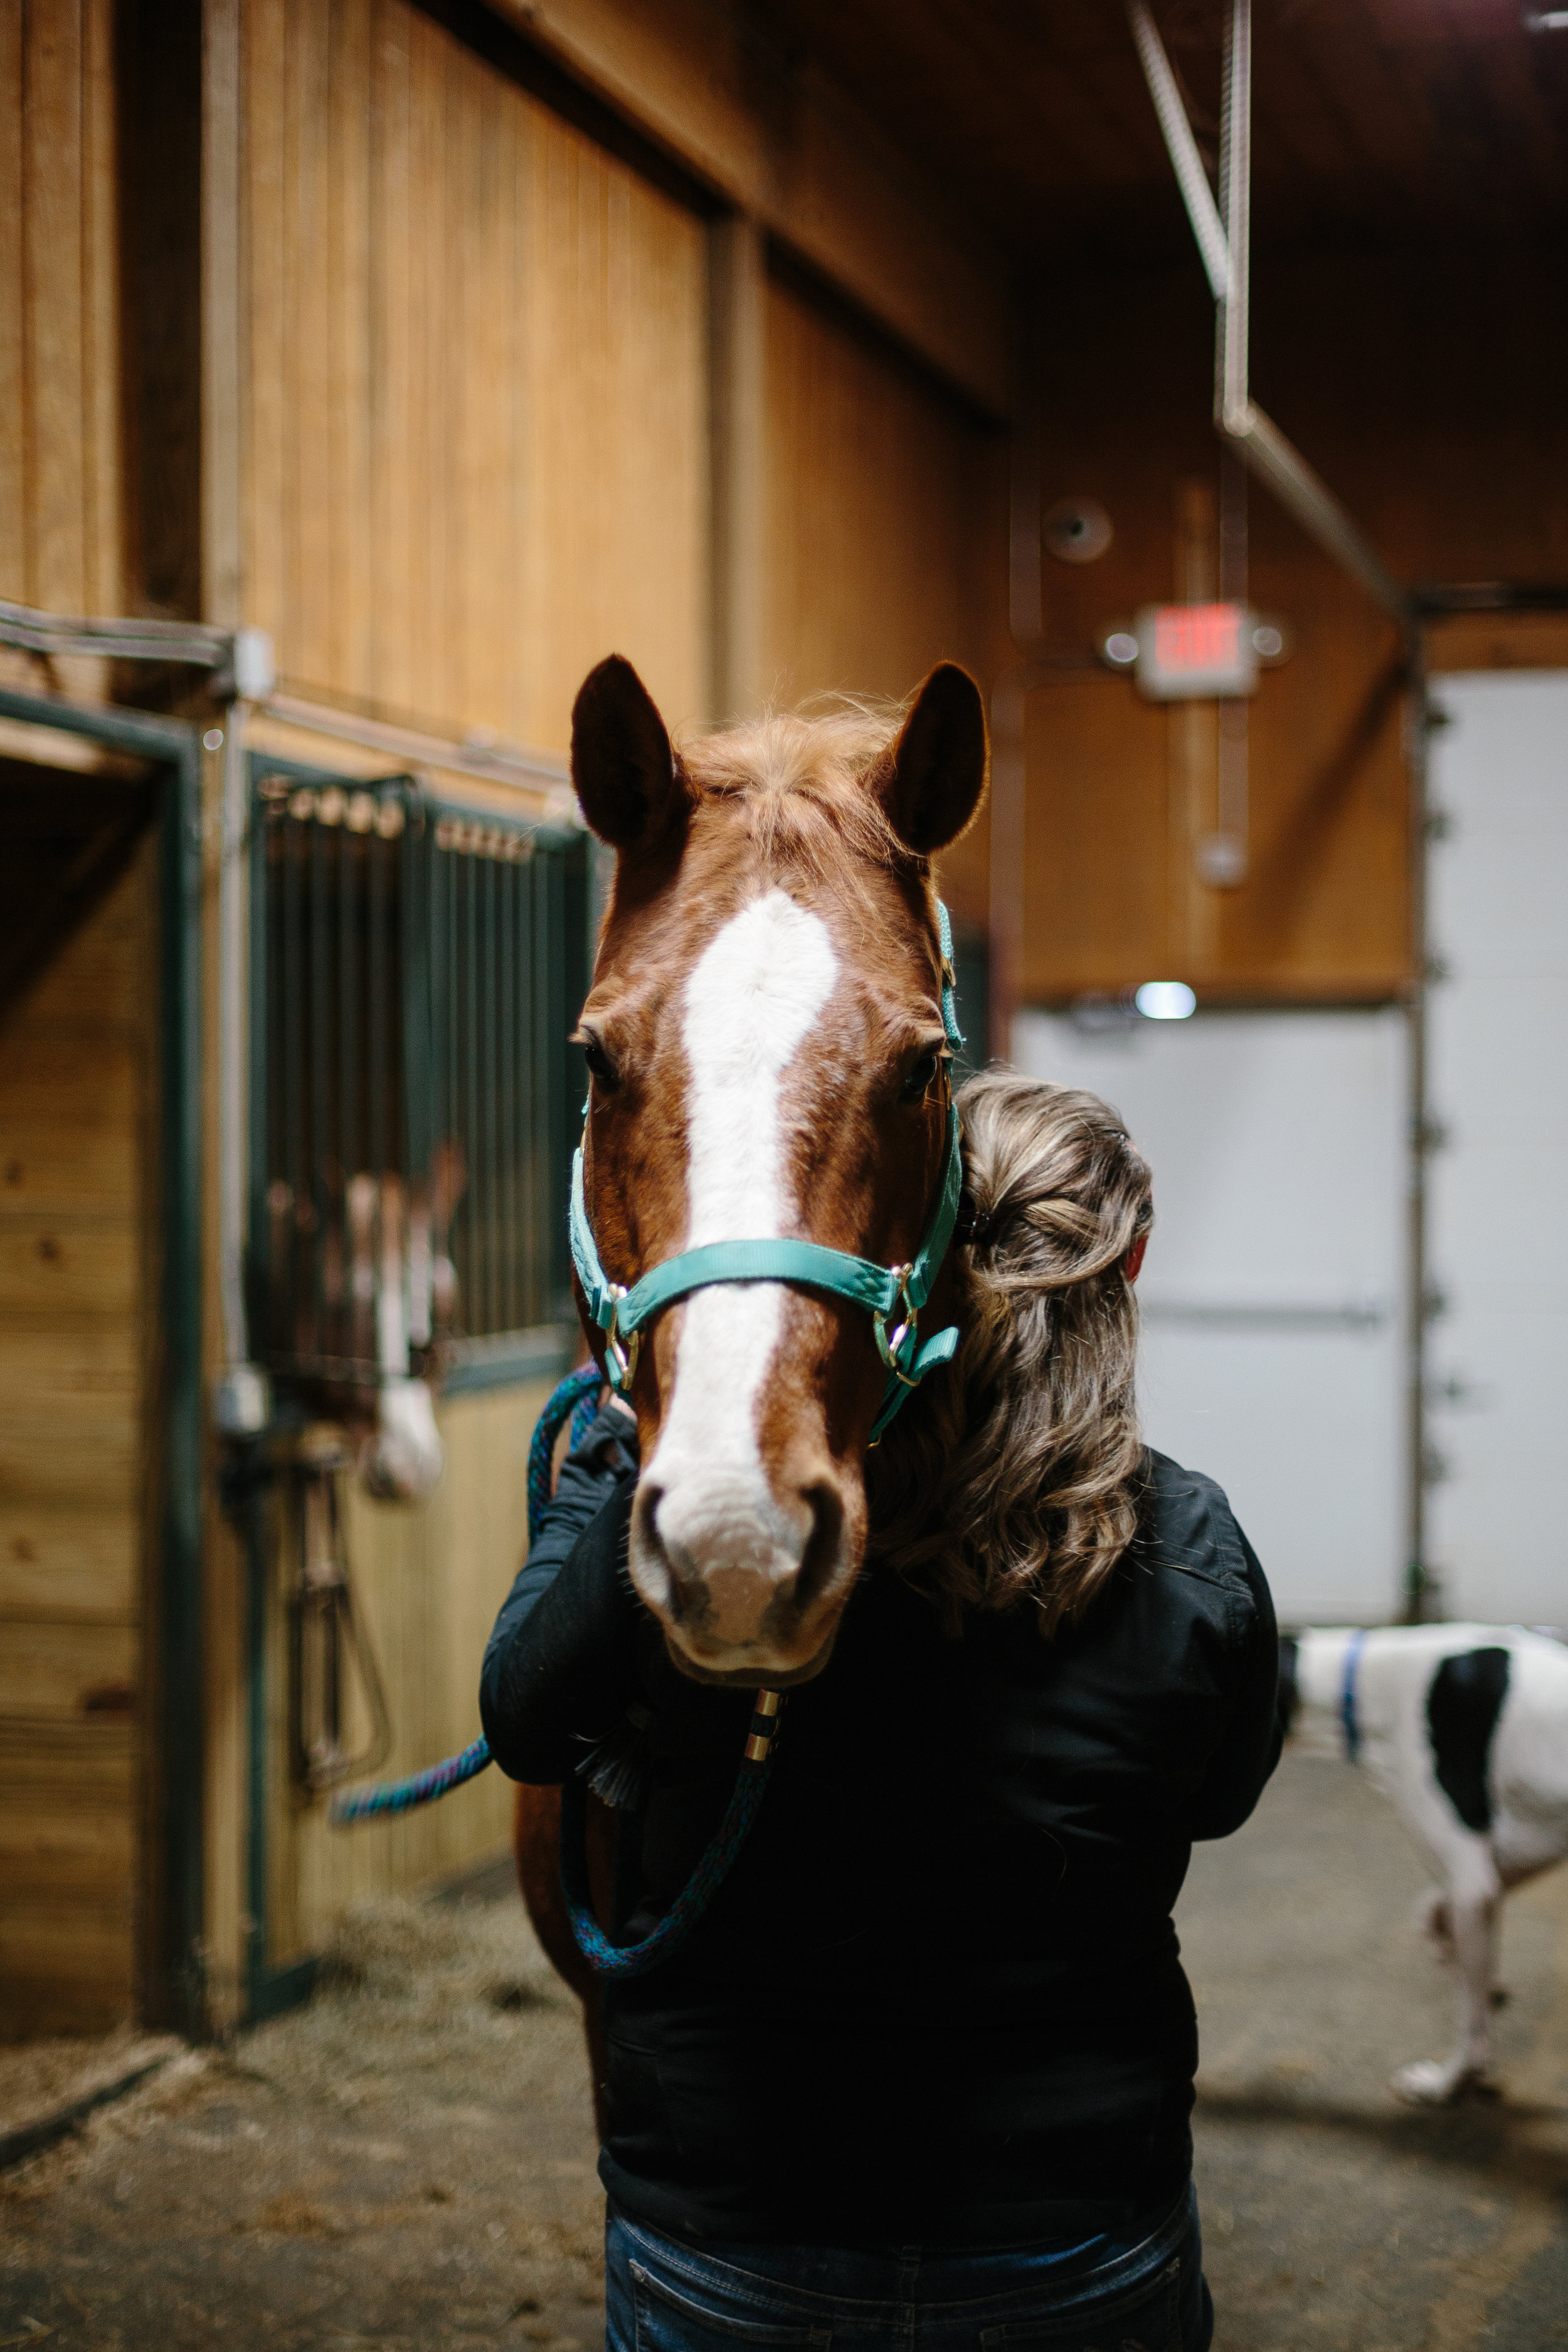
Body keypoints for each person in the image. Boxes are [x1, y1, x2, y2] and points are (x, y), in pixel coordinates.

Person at [481, 1071, 1281, 2352]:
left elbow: (522, 1719)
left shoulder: (741, 1528)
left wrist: (666, 1438)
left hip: (737, 2227)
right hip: (1068, 2235)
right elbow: (1222, 1797)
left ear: (891, 1247)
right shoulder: (1187, 1546)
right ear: (1130, 1262)